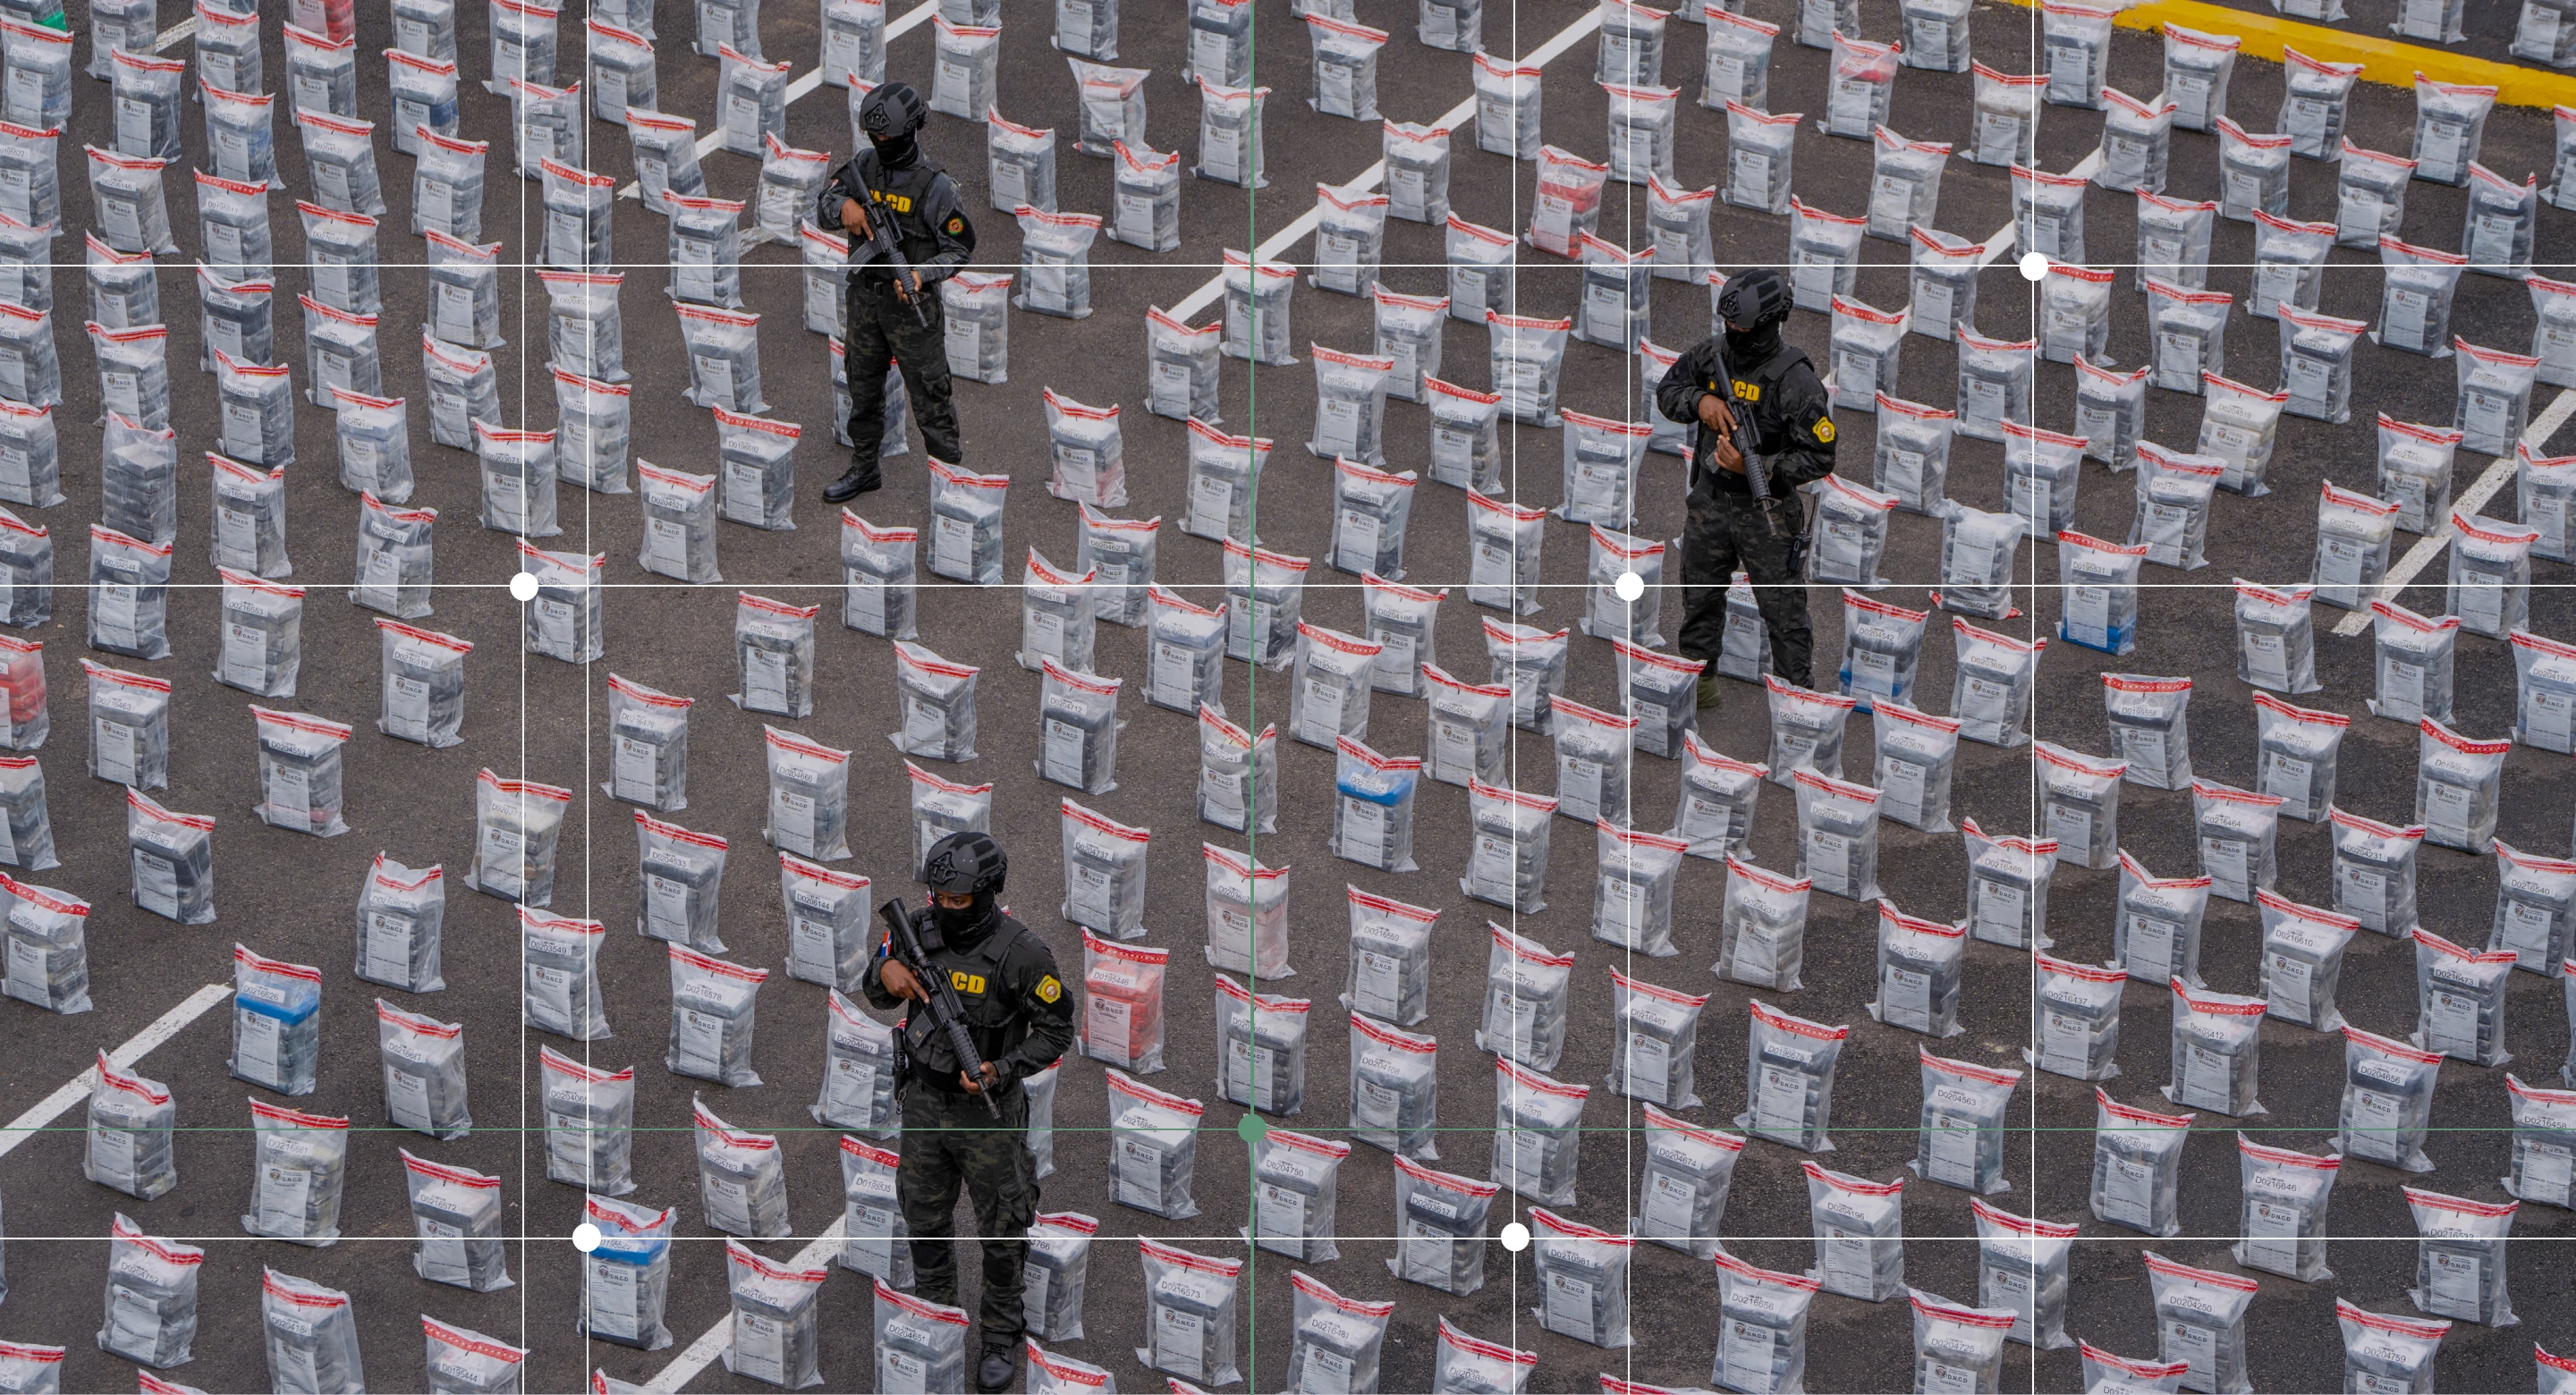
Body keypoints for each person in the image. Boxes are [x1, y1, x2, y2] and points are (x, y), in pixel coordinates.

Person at [862, 830, 1072, 1394]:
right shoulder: (916, 930)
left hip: (988, 1116)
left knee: (1003, 1226)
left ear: (987, 895)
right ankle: (938, 1315)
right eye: (940, 898)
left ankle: (1002, 1330)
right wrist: (884, 973)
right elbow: (877, 990)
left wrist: (1001, 1071)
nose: (948, 909)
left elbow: (1057, 1030)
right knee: (925, 1218)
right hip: (925, 1105)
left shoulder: (1022, 954)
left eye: (959, 901)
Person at [1654, 266, 1838, 708]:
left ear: (1770, 323)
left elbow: (1821, 456)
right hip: (1710, 503)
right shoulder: (1711, 354)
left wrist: (1766, 467)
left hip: (1767, 513)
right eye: (1729, 326)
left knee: (1784, 614)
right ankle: (1699, 686)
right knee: (1699, 596)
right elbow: (1668, 391)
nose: (1733, 334)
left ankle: (1797, 707)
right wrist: (1702, 401)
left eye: (1742, 328)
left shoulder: (1797, 382)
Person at [814, 80, 976, 502]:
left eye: (887, 136)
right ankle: (864, 467)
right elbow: (824, 206)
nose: (879, 142)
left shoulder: (938, 187)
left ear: (909, 132)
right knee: (862, 386)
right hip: (867, 299)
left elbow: (959, 249)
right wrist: (843, 207)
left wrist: (921, 275)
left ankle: (950, 486)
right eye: (874, 136)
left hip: (912, 306)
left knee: (931, 397)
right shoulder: (863, 166)